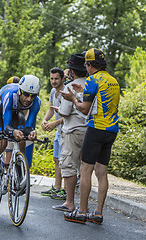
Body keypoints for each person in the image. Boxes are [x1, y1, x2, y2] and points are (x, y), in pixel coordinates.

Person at [61, 48, 120, 224]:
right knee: (102, 172)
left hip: (96, 129)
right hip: (112, 130)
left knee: (85, 169)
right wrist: (81, 92)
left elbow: (84, 108)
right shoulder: (113, 80)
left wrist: (72, 98)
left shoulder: (93, 79)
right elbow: (100, 100)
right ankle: (98, 213)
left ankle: (82, 212)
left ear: (89, 65)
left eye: (86, 65)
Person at [0, 75, 41, 190]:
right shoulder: (10, 95)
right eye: (26, 94)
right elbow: (7, 125)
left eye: (33, 96)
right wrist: (13, 131)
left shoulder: (36, 102)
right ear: (20, 91)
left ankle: (19, 173)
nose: (29, 99)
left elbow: (29, 125)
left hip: (16, 112)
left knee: (22, 141)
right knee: (1, 143)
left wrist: (30, 132)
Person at [50, 53, 88, 212]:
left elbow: (65, 112)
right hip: (89, 131)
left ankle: (69, 202)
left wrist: (60, 108)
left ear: (72, 70)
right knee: (85, 168)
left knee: (69, 166)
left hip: (72, 131)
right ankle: (84, 206)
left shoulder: (70, 87)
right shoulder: (92, 85)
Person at [41, 67, 65, 200]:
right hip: (58, 130)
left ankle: (65, 191)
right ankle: (56, 188)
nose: (54, 81)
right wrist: (45, 120)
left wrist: (54, 123)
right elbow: (51, 109)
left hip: (67, 130)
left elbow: (69, 115)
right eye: (52, 78)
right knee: (56, 159)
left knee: (65, 161)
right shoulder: (52, 91)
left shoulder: (66, 92)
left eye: (56, 78)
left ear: (62, 79)